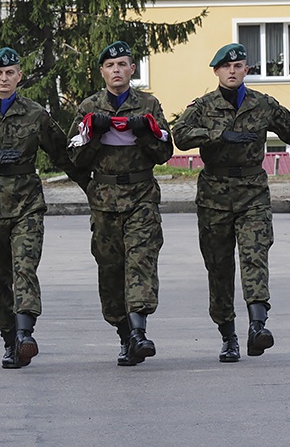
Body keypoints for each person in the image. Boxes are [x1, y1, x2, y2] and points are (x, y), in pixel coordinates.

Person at [172, 43, 290, 363]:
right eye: (226, 67)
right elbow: (181, 135)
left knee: (254, 256)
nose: (232, 71)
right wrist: (219, 134)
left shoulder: (262, 105)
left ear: (246, 70)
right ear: (216, 71)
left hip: (252, 192)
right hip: (214, 196)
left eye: (239, 66)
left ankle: (258, 327)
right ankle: (228, 335)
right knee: (219, 268)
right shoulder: (203, 106)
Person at [0, 47, 89, 369]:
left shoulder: (36, 114)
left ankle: (26, 335)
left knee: (25, 268)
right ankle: (9, 339)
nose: (4, 78)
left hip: (27, 204)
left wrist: (91, 186)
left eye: (10, 72)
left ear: (20, 76)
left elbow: (62, 154)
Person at [67, 41, 173, 366]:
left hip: (141, 196)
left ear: (132, 70)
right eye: (110, 65)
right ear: (102, 71)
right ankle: (126, 334)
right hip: (104, 202)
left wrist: (145, 133)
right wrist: (94, 133)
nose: (116, 70)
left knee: (141, 261)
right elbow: (74, 155)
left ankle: (140, 332)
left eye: (122, 64)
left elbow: (165, 152)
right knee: (111, 272)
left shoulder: (148, 104)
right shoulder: (89, 106)